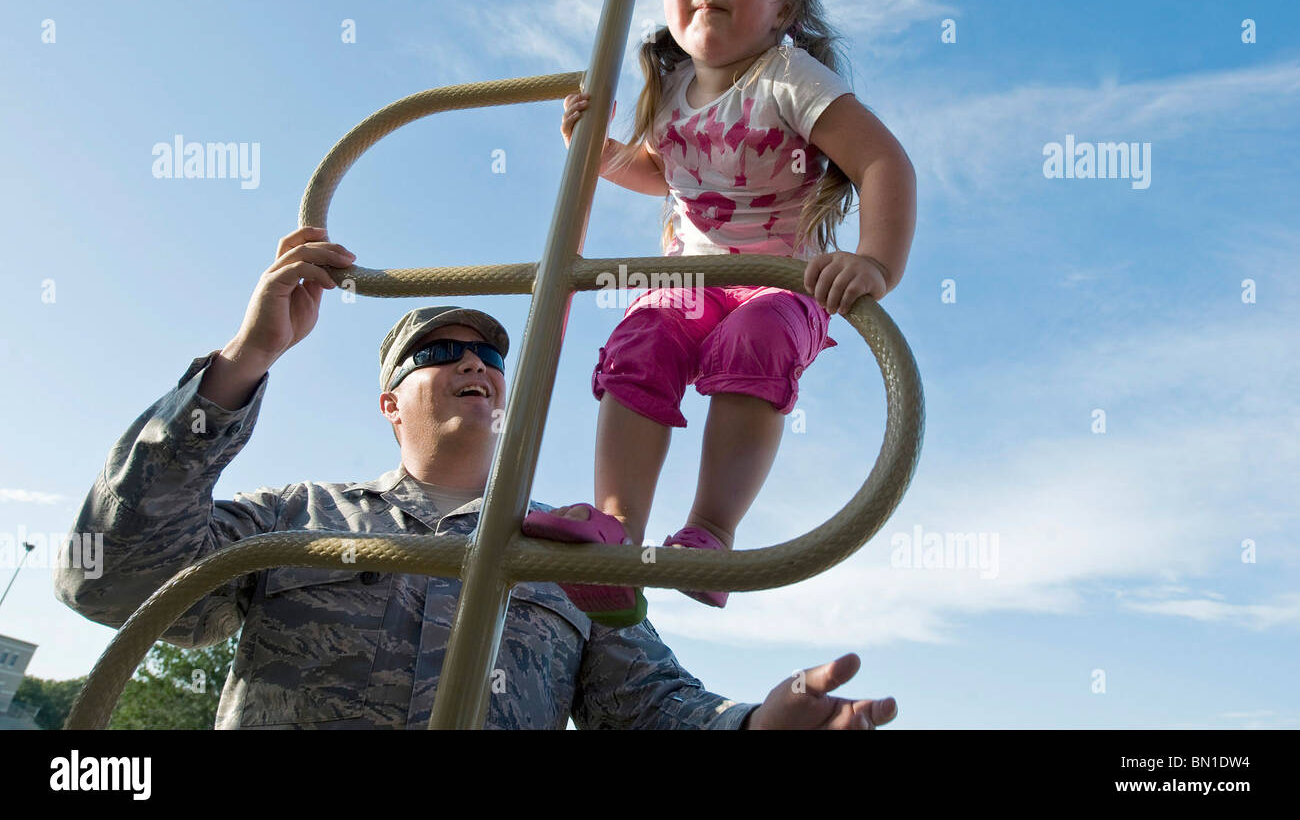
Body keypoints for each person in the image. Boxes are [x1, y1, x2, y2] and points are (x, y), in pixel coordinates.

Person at [53, 225, 899, 730]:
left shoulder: (564, 552)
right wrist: (247, 358)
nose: (474, 363)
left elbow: (652, 711)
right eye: (438, 351)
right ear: (390, 402)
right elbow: (106, 578)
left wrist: (756, 724)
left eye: (491, 353)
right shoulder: (296, 516)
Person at [522, 0, 918, 626]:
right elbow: (660, 171)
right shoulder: (668, 91)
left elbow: (884, 162)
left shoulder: (787, 77)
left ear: (783, 2)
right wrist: (604, 155)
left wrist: (875, 264)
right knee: (641, 337)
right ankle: (616, 528)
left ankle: (711, 530)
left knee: (756, 340)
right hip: (691, 279)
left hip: (778, 284)